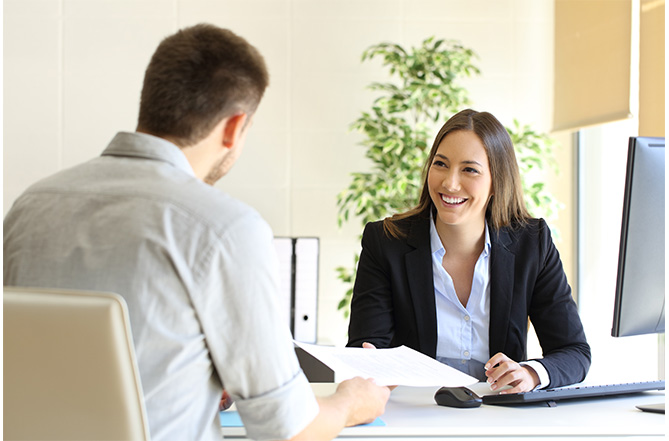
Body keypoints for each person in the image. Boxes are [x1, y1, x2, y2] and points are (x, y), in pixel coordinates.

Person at [3, 24, 389, 441]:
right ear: (233, 127)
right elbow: (287, 429)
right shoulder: (224, 227)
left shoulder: (30, 205)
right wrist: (351, 403)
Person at [347, 109, 591, 394]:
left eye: (469, 169)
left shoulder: (532, 243)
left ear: (496, 182)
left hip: (498, 415)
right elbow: (366, 347)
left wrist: (530, 373)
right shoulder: (386, 241)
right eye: (441, 164)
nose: (450, 183)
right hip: (414, 413)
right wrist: (371, 364)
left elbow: (574, 352)